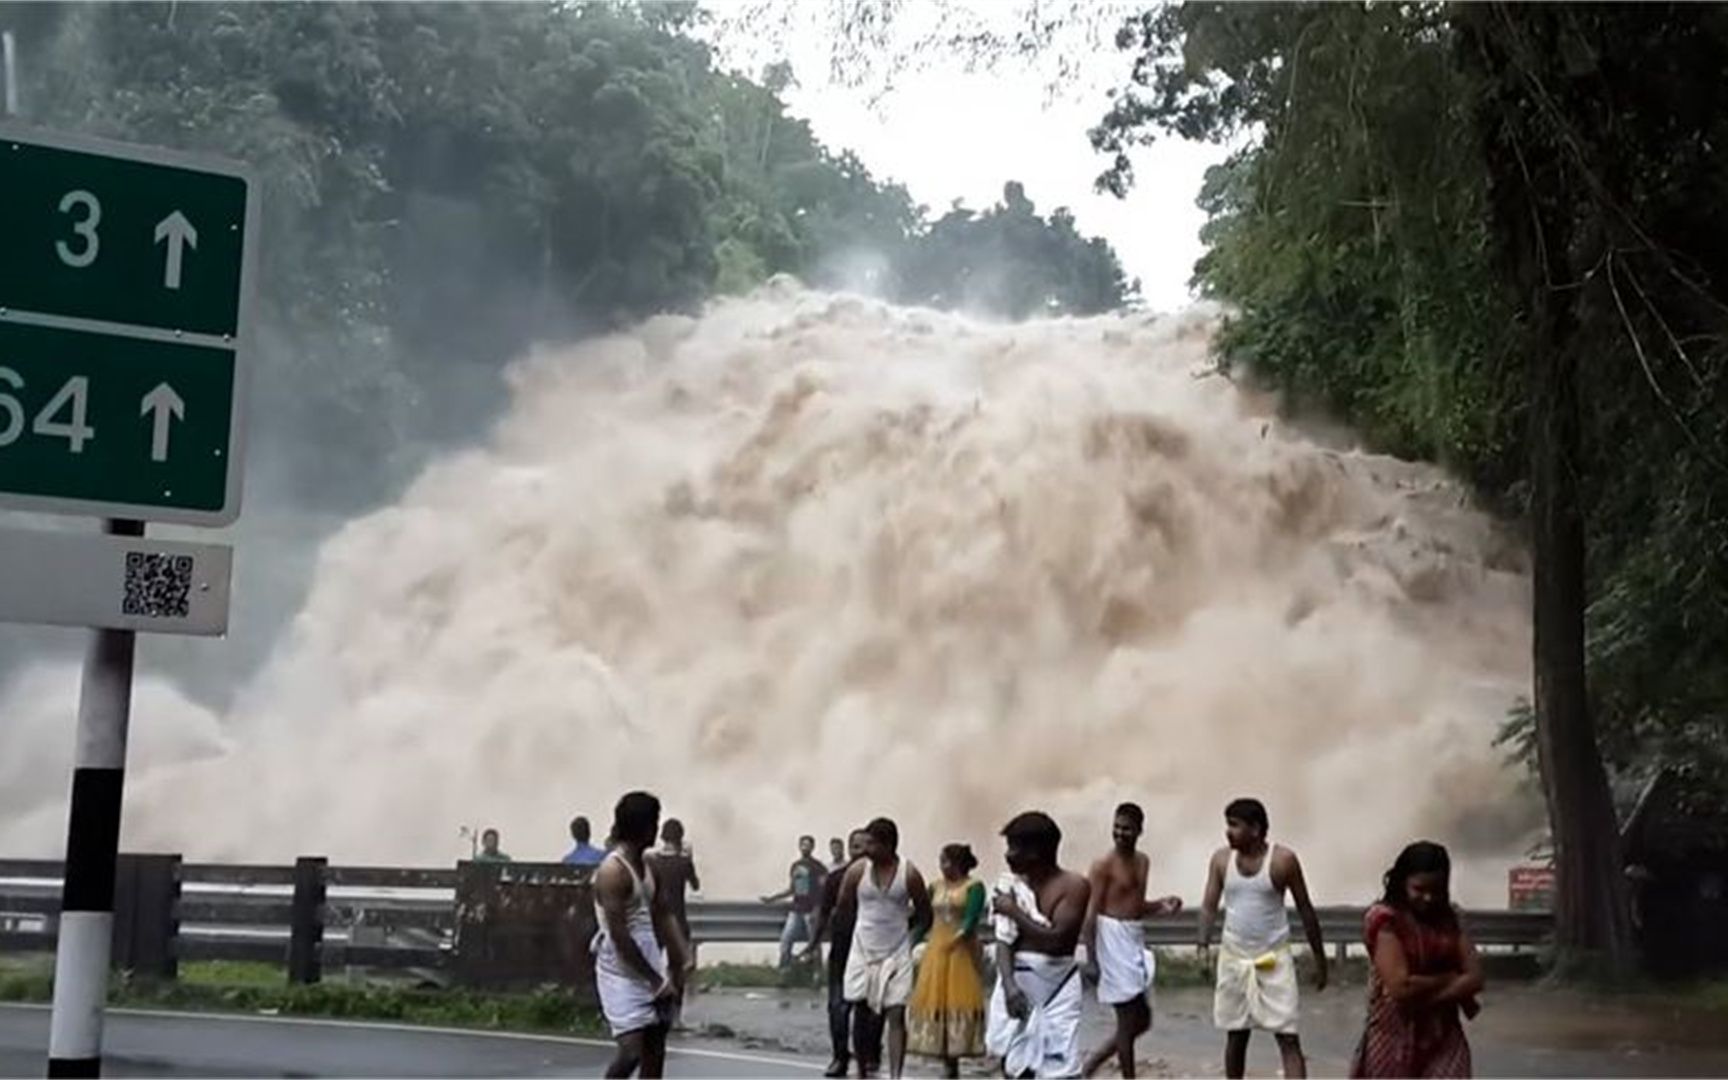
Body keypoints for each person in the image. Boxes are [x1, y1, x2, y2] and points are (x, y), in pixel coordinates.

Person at [1198, 798, 1328, 1080]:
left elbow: (1305, 909)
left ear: (1256, 829)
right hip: (1235, 958)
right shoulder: (1221, 860)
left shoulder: (1283, 861)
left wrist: (1320, 959)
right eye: (1227, 824)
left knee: (1288, 1037)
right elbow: (1209, 906)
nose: (1227, 831)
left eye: (1234, 825)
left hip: (1274, 960)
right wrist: (1203, 946)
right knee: (1236, 1036)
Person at [1350, 842, 1483, 1078]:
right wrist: (1449, 979)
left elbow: (1474, 978)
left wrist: (1423, 995)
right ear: (1402, 882)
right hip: (1394, 1033)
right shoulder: (1385, 920)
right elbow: (1400, 987)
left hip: (1443, 1034)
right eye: (1419, 889)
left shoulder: (1452, 918)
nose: (1428, 897)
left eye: (1436, 890)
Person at [1080, 803, 1182, 1079]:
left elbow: (1134, 906)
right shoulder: (1103, 865)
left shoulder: (1143, 861)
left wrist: (1162, 905)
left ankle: (1089, 1066)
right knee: (1128, 1021)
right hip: (1111, 941)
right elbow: (1091, 914)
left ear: (1139, 830)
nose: (1120, 833)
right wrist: (1092, 960)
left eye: (1126, 828)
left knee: (1142, 1020)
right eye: (1116, 827)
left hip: (1133, 938)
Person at [987, 811, 1091, 1079]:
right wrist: (1009, 985)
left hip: (1058, 986)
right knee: (1014, 1062)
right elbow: (1004, 940)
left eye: (1014, 848)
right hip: (1018, 984)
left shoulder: (1074, 886)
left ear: (1036, 852)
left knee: (1059, 1067)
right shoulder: (1010, 886)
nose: (1008, 855)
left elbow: (1058, 941)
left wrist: (1015, 912)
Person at [592, 791, 690, 1079]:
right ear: (642, 826)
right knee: (631, 1051)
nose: (658, 830)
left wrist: (682, 954)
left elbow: (663, 913)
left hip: (649, 958)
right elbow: (620, 937)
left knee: (655, 1046)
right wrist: (656, 981)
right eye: (654, 822)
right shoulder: (613, 872)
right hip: (620, 968)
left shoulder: (649, 866)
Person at [839, 817, 933, 1079]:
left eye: (871, 843)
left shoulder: (909, 874)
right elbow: (844, 906)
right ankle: (860, 1071)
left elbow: (925, 915)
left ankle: (895, 1074)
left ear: (888, 844)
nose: (865, 849)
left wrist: (910, 939)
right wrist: (847, 941)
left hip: (896, 950)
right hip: (863, 948)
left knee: (896, 1012)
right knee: (859, 1009)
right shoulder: (858, 871)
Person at [807, 829, 884, 1078]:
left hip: (872, 952)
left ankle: (870, 1055)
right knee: (838, 1008)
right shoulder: (836, 878)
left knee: (872, 1007)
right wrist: (813, 942)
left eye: (864, 846)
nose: (859, 852)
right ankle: (840, 1057)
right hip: (842, 950)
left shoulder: (883, 879)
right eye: (855, 847)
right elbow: (823, 912)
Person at [908, 843, 988, 1078]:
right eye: (941, 861)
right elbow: (923, 917)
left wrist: (956, 939)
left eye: (946, 862)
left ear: (958, 863)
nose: (942, 866)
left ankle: (955, 1057)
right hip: (936, 949)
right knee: (937, 1000)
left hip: (960, 952)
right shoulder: (934, 886)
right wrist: (913, 937)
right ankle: (945, 1060)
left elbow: (971, 919)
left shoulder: (974, 887)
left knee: (956, 1003)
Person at [647, 818, 701, 1029]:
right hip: (678, 920)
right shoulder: (684, 862)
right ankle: (676, 1017)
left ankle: (650, 1011)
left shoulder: (652, 861)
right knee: (677, 970)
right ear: (680, 838)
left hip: (655, 920)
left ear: (662, 837)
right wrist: (690, 857)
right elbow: (695, 886)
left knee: (651, 966)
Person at [762, 834, 829, 971]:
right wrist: (773, 898)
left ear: (812, 847)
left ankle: (817, 972)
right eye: (803, 844)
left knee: (814, 943)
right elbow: (792, 889)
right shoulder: (795, 866)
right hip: (796, 908)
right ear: (799, 847)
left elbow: (824, 890)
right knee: (786, 938)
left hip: (811, 910)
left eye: (808, 845)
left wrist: (818, 908)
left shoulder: (818, 867)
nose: (805, 847)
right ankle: (784, 970)